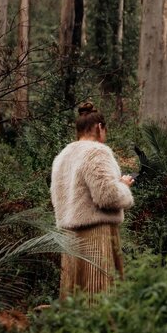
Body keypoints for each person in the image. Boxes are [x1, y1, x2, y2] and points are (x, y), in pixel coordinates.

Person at [50, 102, 134, 298]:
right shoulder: (96, 151)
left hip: (69, 236)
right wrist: (123, 186)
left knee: (74, 295)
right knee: (98, 293)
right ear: (99, 127)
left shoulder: (62, 157)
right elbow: (107, 195)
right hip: (95, 234)